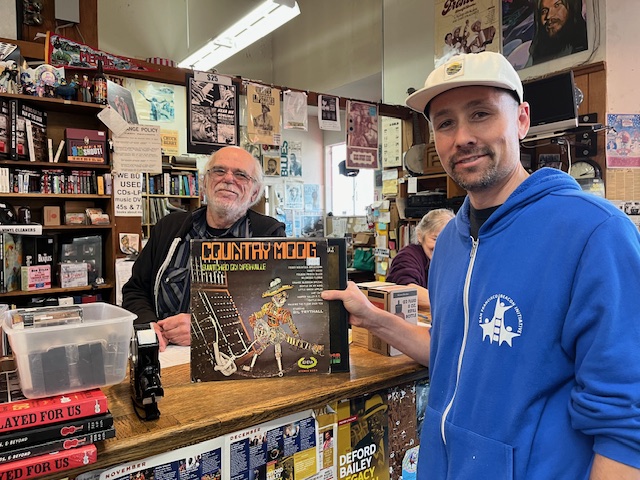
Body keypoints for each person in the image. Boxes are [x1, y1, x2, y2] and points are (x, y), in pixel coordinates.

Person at [322, 52, 640, 478]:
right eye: (446, 123)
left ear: (522, 119)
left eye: (481, 114)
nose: (463, 137)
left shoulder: (595, 233)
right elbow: (454, 353)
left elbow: (625, 421)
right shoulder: (451, 241)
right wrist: (374, 318)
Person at [123, 146, 286, 351]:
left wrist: (204, 328)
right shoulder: (168, 229)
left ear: (254, 193)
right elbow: (136, 290)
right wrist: (146, 326)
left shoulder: (269, 236)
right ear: (204, 183)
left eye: (241, 175)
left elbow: (276, 307)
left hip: (233, 356)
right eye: (219, 171)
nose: (228, 179)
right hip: (166, 354)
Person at [385, 208, 454, 309]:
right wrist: (450, 305)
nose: (441, 246)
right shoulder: (408, 256)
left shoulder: (454, 259)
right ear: (420, 236)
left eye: (448, 240)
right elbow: (406, 290)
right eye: (435, 239)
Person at [528, 0, 588, 66]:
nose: (549, 16)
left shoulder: (584, 48)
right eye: (544, 11)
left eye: (557, 5)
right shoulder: (537, 56)